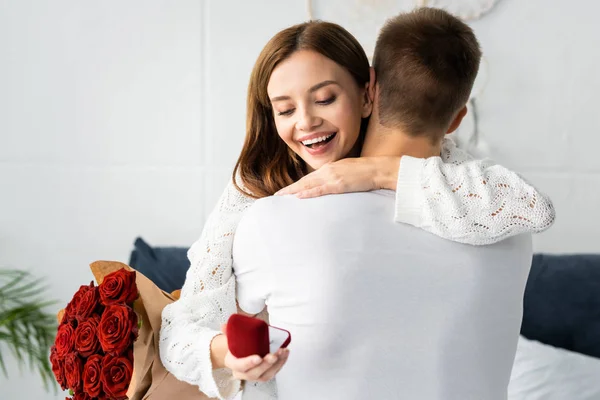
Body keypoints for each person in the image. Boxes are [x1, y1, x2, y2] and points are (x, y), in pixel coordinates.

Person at [160, 12, 554, 400]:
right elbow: (182, 326)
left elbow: (531, 207)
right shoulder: (256, 200)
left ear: (369, 92)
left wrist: (378, 171)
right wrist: (226, 352)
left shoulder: (467, 190)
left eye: (326, 98)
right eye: (285, 109)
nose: (307, 122)